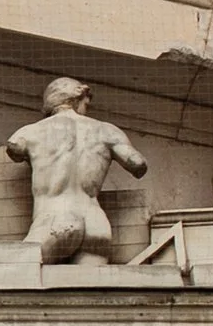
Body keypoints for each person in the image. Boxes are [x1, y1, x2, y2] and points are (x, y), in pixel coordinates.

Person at [10, 79, 148, 269]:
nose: (86, 108)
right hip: (97, 224)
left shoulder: (29, 132)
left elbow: (14, 150)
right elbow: (138, 164)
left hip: (57, 219)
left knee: (10, 273)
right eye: (86, 103)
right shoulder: (108, 130)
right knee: (89, 290)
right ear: (76, 98)